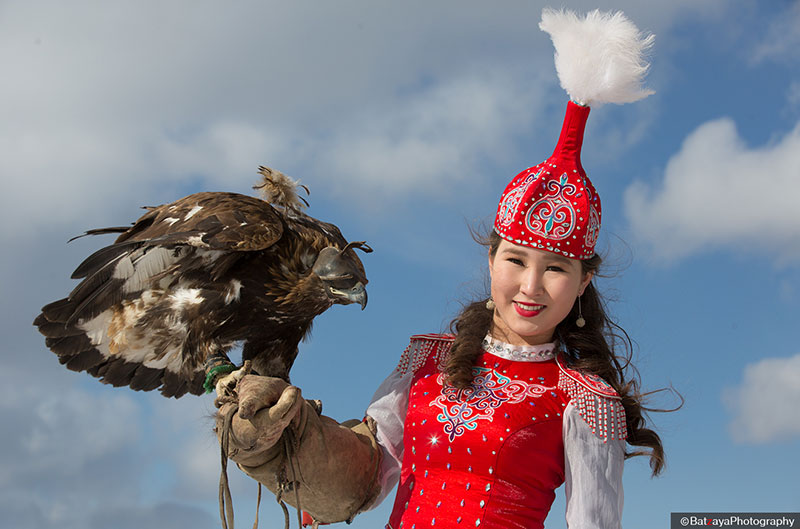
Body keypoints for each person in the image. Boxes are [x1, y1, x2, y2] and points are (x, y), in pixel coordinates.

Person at [215, 8, 666, 529]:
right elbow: (361, 479)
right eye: (515, 259)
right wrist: (286, 442)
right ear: (491, 257)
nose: (530, 285)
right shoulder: (425, 362)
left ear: (585, 280)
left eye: (556, 269)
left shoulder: (586, 401)